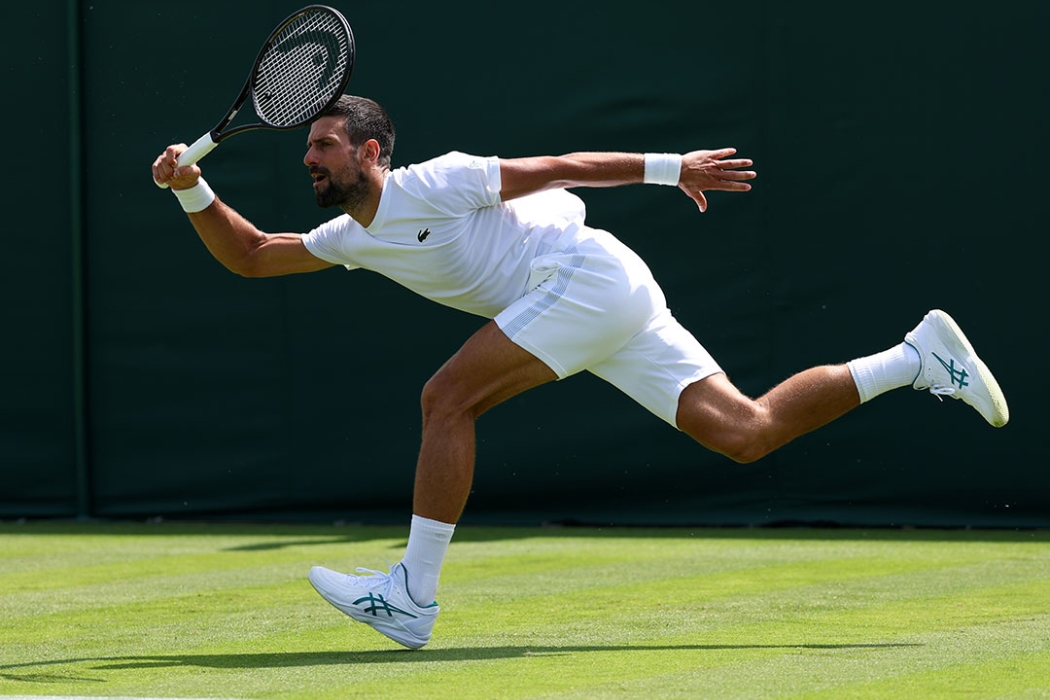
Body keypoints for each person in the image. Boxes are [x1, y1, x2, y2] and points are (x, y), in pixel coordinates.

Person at [152, 94, 1009, 650]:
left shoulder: (438, 181)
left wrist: (676, 169)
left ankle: (410, 595)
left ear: (373, 152)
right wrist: (192, 189)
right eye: (309, 148)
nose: (312, 157)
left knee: (445, 397)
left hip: (583, 277)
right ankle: (915, 357)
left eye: (327, 145)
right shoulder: (353, 236)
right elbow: (256, 256)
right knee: (745, 433)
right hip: (606, 295)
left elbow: (558, 167)